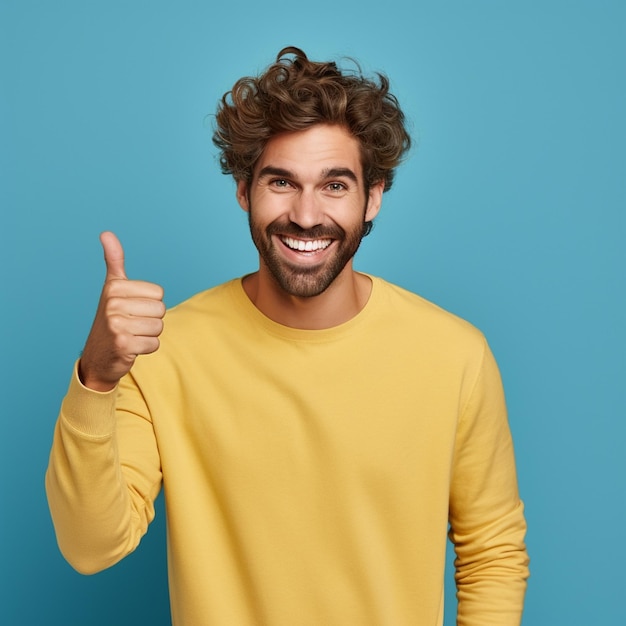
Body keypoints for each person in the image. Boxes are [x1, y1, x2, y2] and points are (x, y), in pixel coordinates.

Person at [46, 46, 529, 625]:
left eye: (334, 185)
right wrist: (96, 376)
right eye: (281, 182)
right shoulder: (162, 352)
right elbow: (91, 547)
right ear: (244, 191)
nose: (305, 215)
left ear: (373, 196)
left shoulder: (455, 355)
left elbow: (492, 552)